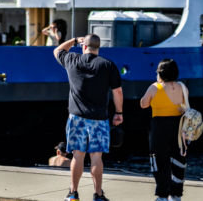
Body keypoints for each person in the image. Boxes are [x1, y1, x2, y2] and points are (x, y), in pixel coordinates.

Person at [53, 35, 123, 201]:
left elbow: (57, 50)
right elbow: (117, 92)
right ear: (99, 48)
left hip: (76, 117)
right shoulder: (108, 65)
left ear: (84, 46)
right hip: (99, 118)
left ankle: (73, 193)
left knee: (77, 155)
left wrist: (75, 40)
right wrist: (118, 113)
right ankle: (98, 194)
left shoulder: (72, 59)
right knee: (96, 156)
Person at [140, 59, 187, 201]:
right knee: (179, 159)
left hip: (160, 126)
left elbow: (144, 104)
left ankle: (162, 196)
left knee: (160, 159)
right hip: (179, 126)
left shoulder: (154, 87)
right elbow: (184, 107)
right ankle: (176, 195)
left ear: (160, 73)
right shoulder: (183, 87)